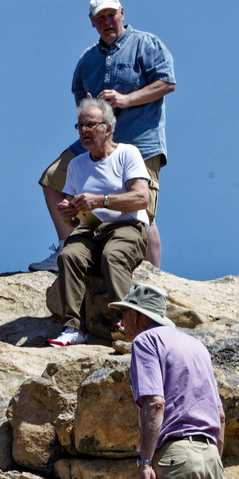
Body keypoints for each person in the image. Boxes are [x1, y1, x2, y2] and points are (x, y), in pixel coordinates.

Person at [31, 0, 175, 273]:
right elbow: (78, 96)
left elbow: (167, 82)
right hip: (96, 142)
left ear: (122, 13)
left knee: (144, 214)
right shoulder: (88, 58)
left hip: (140, 140)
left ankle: (151, 280)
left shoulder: (145, 43)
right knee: (52, 181)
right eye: (101, 17)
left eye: (111, 14)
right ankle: (69, 246)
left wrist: (125, 99)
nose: (107, 21)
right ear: (92, 22)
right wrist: (87, 106)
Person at [110, 282, 230, 479]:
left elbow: (155, 403)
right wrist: (217, 467)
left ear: (137, 316)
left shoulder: (145, 342)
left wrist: (146, 462)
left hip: (174, 459)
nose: (120, 322)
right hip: (210, 457)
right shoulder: (197, 345)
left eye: (124, 314)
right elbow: (221, 415)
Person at [48, 98, 151, 346]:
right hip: (93, 229)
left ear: (108, 128)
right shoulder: (76, 165)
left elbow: (141, 198)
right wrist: (69, 213)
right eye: (80, 126)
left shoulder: (128, 153)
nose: (84, 130)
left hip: (127, 226)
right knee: (69, 255)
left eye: (90, 125)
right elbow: (77, 220)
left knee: (113, 255)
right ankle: (73, 328)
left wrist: (101, 201)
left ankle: (125, 320)